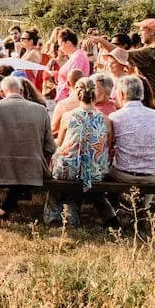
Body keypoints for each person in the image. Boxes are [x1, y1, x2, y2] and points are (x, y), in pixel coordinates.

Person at [0, 75, 55, 218]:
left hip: (1, 166)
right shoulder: (41, 110)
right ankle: (6, 207)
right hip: (34, 166)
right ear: (21, 91)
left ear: (1, 92)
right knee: (20, 166)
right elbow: (50, 147)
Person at [45, 78, 117, 229]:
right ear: (94, 94)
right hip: (94, 171)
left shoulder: (68, 116)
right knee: (81, 170)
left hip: (69, 169)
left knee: (62, 167)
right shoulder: (105, 119)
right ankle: (72, 217)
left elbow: (59, 144)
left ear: (78, 95)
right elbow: (108, 146)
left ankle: (53, 217)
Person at [107, 75, 155, 185]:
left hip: (124, 174)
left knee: (103, 172)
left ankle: (111, 202)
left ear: (122, 94)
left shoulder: (115, 116)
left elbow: (108, 147)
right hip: (151, 175)